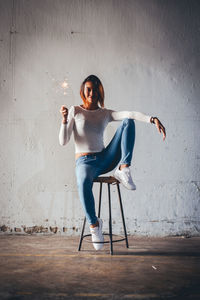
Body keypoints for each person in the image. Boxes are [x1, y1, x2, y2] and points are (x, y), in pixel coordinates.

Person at [59, 74, 166, 251]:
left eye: (95, 89)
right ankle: (94, 225)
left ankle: (124, 169)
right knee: (82, 181)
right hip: (85, 162)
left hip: (105, 159)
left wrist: (152, 119)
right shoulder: (75, 111)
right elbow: (63, 141)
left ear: (100, 91)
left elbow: (130, 114)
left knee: (127, 122)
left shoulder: (105, 113)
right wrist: (64, 121)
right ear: (83, 92)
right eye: (89, 89)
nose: (92, 92)